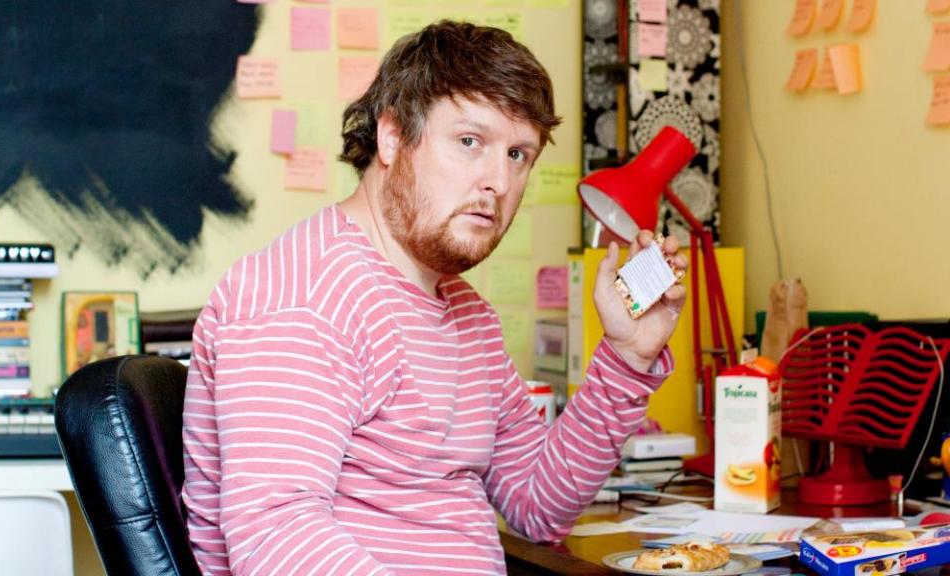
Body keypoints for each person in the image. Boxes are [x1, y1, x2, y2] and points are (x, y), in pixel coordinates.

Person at [182, 20, 687, 576]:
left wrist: (626, 359)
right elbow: (276, 538)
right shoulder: (303, 296)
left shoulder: (466, 313)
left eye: (519, 154)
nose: (498, 180)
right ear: (392, 136)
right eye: (470, 142)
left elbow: (539, 505)